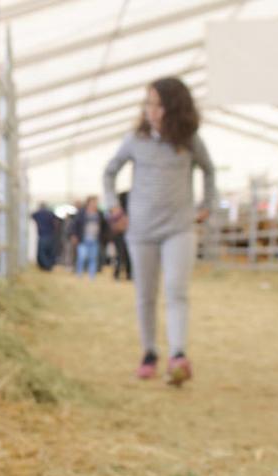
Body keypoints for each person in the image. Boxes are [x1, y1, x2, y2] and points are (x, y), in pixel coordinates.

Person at [104, 77, 216, 385]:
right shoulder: (135, 140)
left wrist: (207, 203)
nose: (151, 110)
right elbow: (110, 172)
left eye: (158, 104)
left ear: (174, 108)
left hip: (179, 227)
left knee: (177, 290)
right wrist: (113, 207)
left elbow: (209, 169)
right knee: (145, 293)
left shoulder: (190, 139)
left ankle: (178, 354)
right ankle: (149, 352)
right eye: (149, 103)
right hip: (141, 229)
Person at [71, 196, 107, 279]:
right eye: (93, 202)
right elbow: (75, 225)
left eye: (96, 202)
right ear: (88, 203)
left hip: (95, 239)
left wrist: (104, 237)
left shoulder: (99, 213)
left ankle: (92, 276)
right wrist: (74, 235)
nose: (95, 204)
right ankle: (79, 274)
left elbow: (104, 227)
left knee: (93, 258)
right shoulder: (82, 213)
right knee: (82, 257)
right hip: (83, 239)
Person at [109, 191, 133, 281]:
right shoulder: (118, 212)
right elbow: (113, 225)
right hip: (119, 236)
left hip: (125, 236)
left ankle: (127, 274)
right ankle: (120, 274)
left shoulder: (124, 211)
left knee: (124, 255)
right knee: (121, 255)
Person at [32, 202, 61, 271]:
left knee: (42, 252)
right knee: (49, 252)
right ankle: (48, 265)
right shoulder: (50, 213)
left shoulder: (37, 213)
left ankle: (46, 265)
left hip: (42, 235)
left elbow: (31, 216)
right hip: (50, 235)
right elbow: (57, 221)